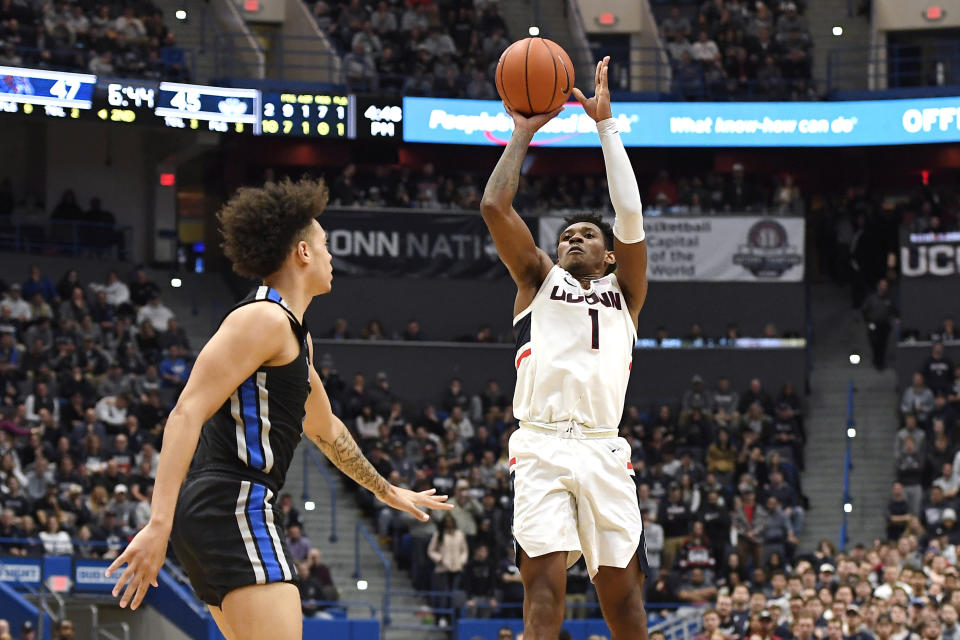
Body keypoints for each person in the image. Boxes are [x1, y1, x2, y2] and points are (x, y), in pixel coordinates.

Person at [105, 178, 451, 640]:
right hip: (233, 500)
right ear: (303, 253)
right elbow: (186, 412)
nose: (331, 257)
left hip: (227, 504)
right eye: (325, 245)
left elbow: (325, 429)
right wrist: (157, 524)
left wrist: (387, 491)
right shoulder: (262, 319)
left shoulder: (292, 333)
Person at [479, 57, 649, 639]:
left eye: (587, 236)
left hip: (604, 448)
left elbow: (629, 212)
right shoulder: (537, 280)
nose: (574, 238)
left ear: (608, 256)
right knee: (544, 591)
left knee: (624, 603)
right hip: (543, 444)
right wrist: (523, 129)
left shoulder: (625, 292)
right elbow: (494, 208)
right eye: (566, 236)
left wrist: (606, 127)